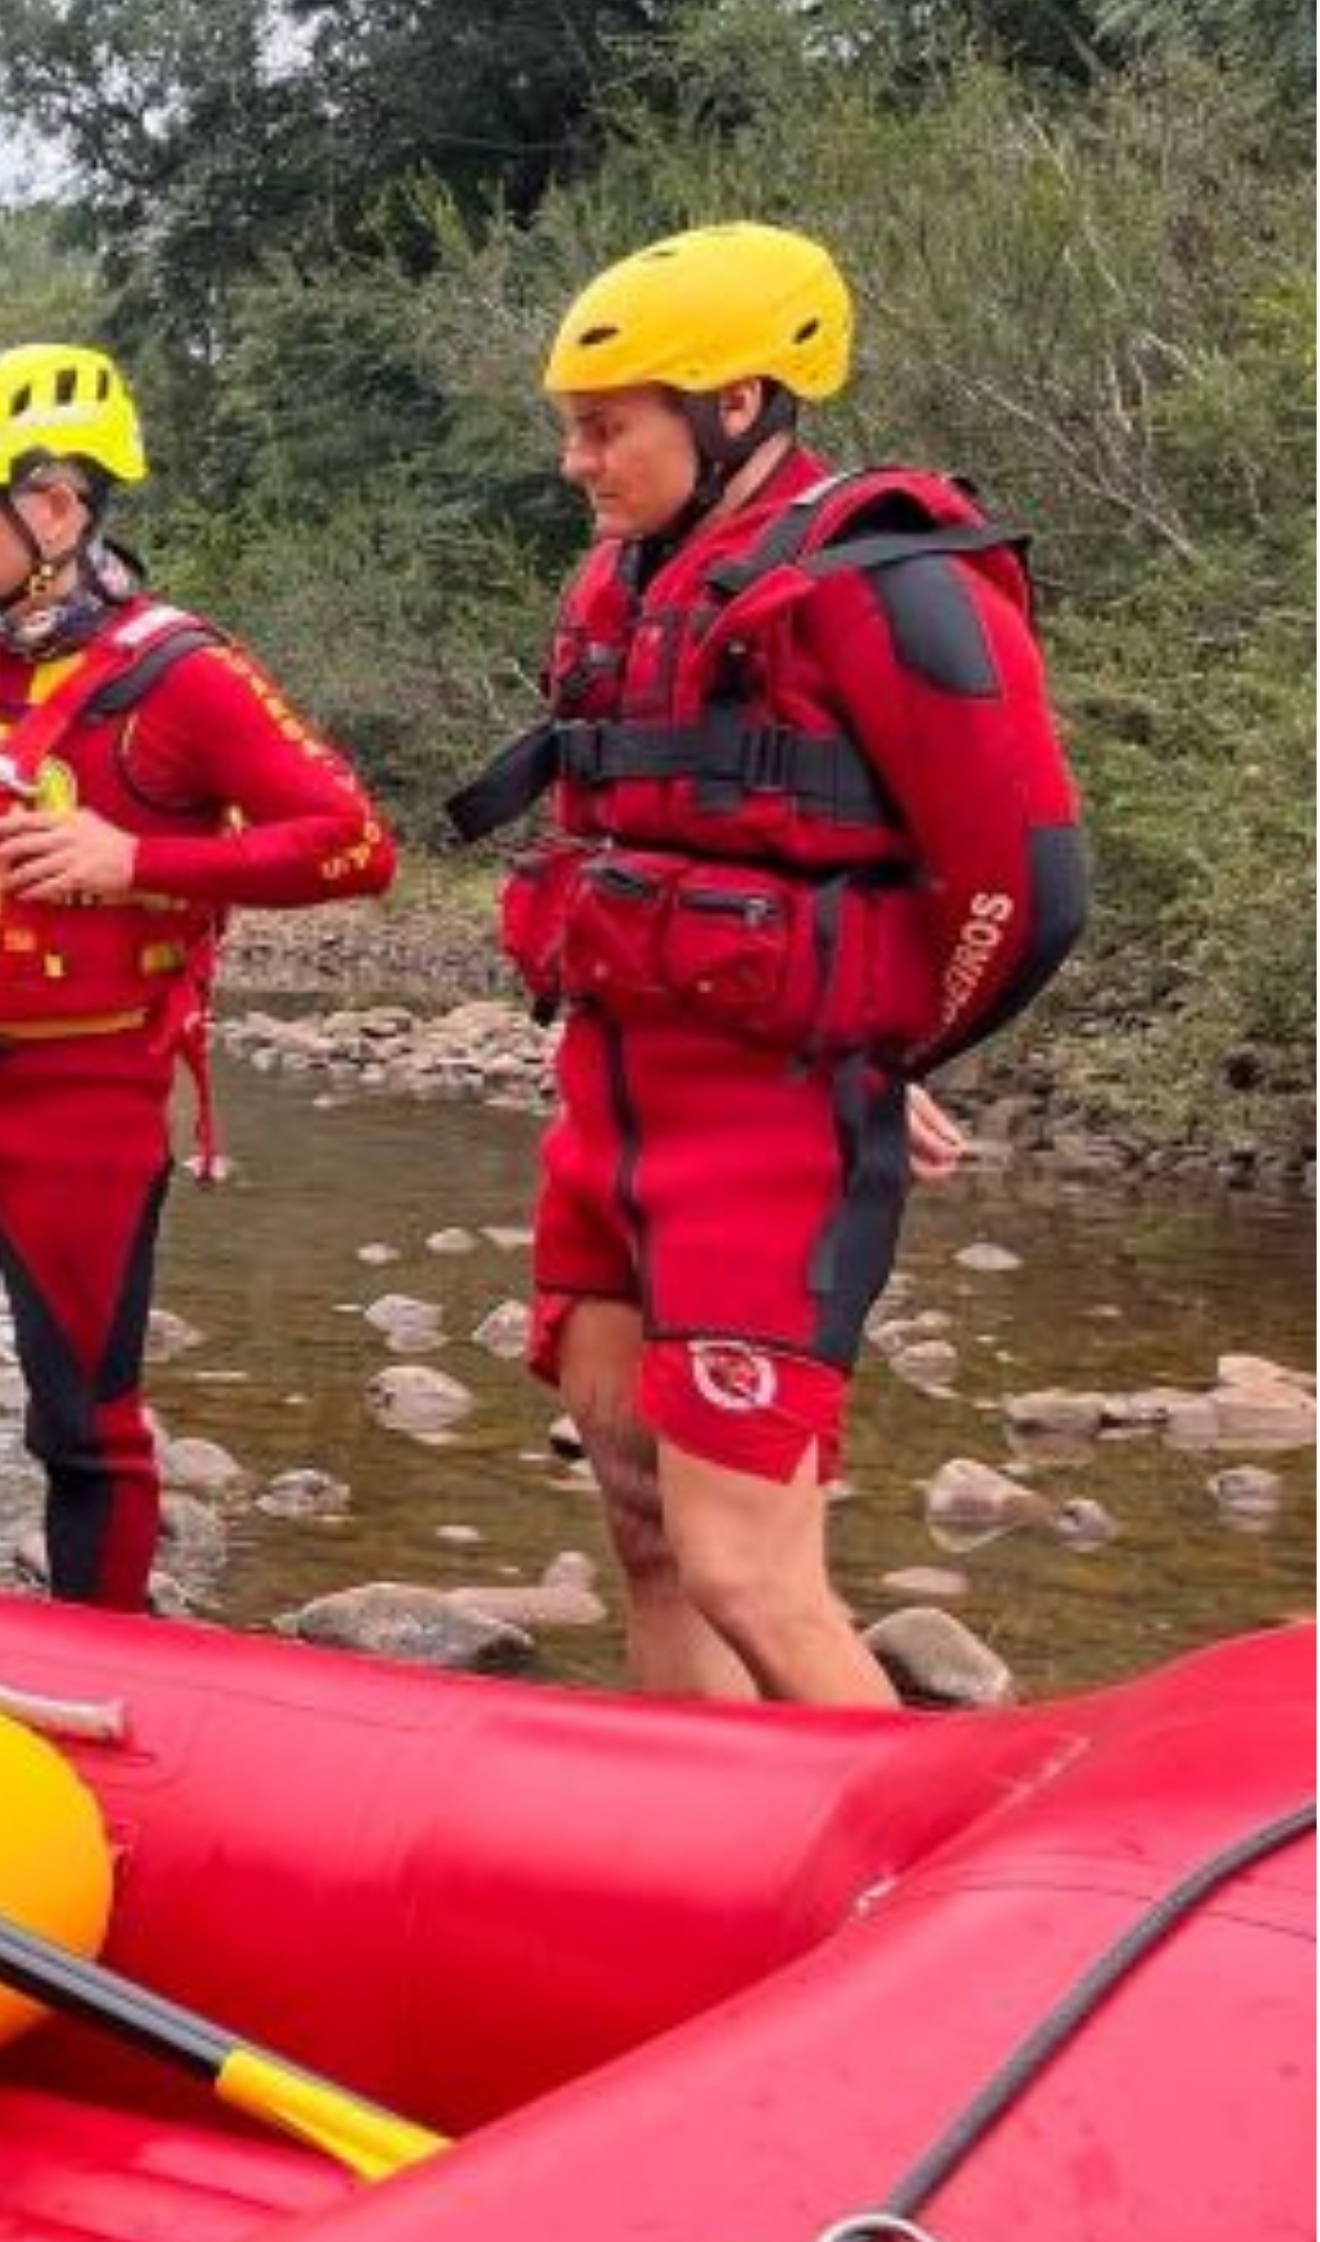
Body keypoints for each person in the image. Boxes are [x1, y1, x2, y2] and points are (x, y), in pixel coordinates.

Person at [448, 224, 1083, 1704]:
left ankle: (904, 1831)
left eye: (604, 427)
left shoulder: (885, 581)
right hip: (608, 1109)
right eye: (570, 429)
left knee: (745, 1568)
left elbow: (1028, 892)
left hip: (767, 1130)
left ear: (733, 404)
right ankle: (687, 1822)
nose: (575, 462)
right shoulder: (622, 584)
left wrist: (879, 1055)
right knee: (641, 1523)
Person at [0, 344, 397, 1611]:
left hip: (81, 1095)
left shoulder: (182, 672)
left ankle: (103, 1656)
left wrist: (135, 859)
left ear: (54, 505)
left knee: (81, 1423)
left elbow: (356, 844)